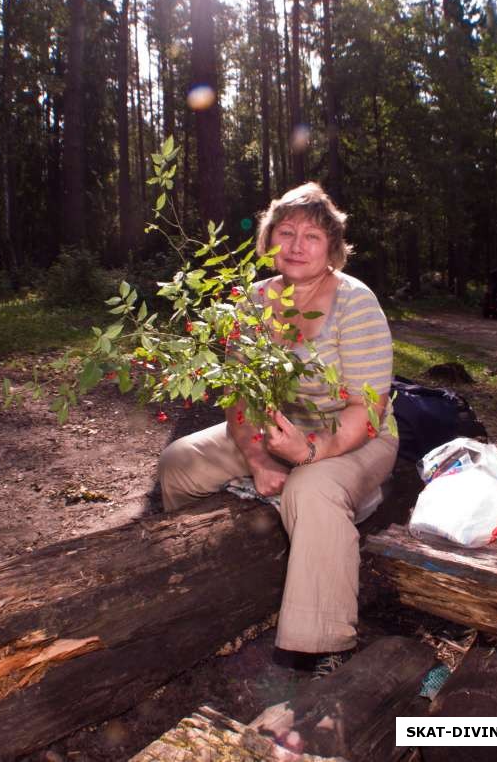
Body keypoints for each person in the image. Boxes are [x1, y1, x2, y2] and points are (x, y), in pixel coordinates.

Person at [158, 182, 398, 671]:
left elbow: (367, 408)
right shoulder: (249, 303)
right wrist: (258, 459)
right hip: (272, 430)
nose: (295, 245)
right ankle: (212, 569)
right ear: (268, 242)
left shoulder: (356, 302)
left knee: (311, 488)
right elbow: (241, 396)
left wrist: (310, 452)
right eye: (285, 232)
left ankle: (323, 645)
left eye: (311, 235)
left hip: (354, 436)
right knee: (179, 460)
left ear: (332, 248)